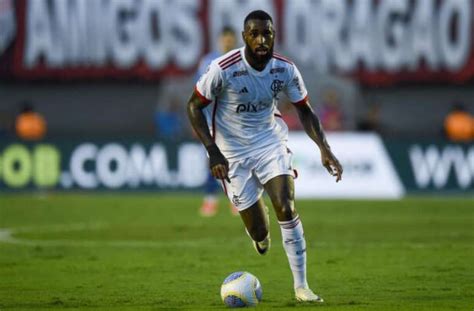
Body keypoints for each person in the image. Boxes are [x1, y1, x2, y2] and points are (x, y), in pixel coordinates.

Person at [187, 10, 343, 302]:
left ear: (274, 35)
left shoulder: (284, 69)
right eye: (255, 34)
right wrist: (212, 151)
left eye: (267, 34)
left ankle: (302, 287)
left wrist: (325, 149)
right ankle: (261, 235)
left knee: (285, 206)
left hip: (270, 143)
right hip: (232, 153)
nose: (261, 40)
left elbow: (305, 110)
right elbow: (194, 106)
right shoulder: (223, 68)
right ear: (244, 36)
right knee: (259, 230)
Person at [196, 26, 239, 217]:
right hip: (212, 118)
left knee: (237, 161)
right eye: (225, 39)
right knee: (212, 159)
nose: (228, 42)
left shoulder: (241, 60)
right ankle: (210, 200)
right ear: (220, 40)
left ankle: (236, 200)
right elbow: (200, 91)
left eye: (231, 39)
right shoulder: (208, 61)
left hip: (236, 120)